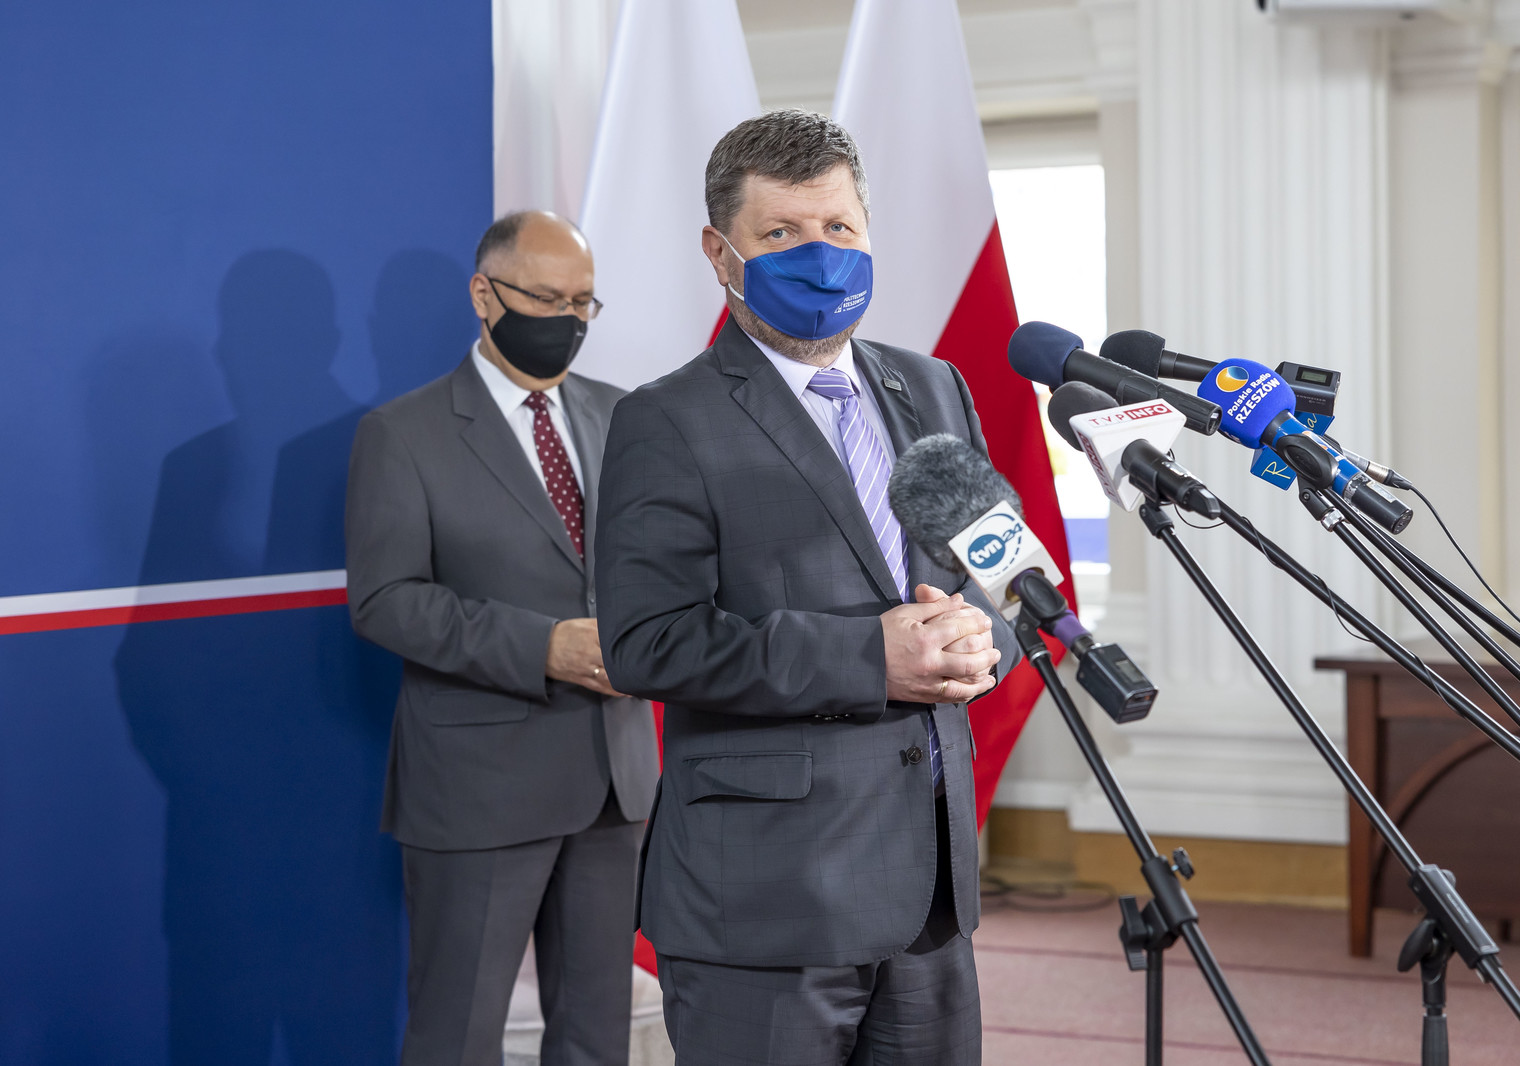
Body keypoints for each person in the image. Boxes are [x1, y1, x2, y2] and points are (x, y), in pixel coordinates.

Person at [595, 110, 1022, 1065]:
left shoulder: (935, 387)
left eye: (838, 227)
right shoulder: (666, 420)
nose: (819, 257)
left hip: (930, 891)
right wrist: (870, 656)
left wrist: (982, 642)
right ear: (721, 254)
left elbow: (1003, 575)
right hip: (765, 901)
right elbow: (647, 643)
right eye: (781, 233)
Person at [346, 211, 656, 1066]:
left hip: (615, 779)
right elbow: (385, 602)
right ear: (484, 295)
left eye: (584, 303)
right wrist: (545, 646)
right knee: (458, 1034)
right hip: (478, 787)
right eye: (548, 299)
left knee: (598, 1034)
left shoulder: (624, 416)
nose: (569, 320)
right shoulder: (402, 434)